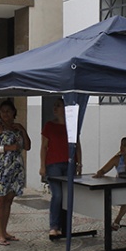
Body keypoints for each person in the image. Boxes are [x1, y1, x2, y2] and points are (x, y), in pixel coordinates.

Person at [0, 99, 31, 246]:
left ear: (14, 112)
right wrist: (7, 148)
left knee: (9, 199)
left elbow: (27, 146)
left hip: (14, 168)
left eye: (8, 111)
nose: (5, 114)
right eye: (2, 111)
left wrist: (22, 130)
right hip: (0, 168)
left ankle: (5, 230)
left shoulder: (17, 127)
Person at [93, 136, 126, 245]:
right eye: (121, 145)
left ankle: (117, 220)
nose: (121, 147)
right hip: (121, 189)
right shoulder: (117, 159)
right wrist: (100, 173)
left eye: (125, 145)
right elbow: (103, 170)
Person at [40, 98, 81, 237]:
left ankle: (65, 225)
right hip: (53, 164)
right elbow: (44, 147)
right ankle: (54, 225)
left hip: (69, 164)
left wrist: (79, 162)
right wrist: (42, 166)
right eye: (54, 105)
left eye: (58, 105)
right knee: (57, 195)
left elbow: (77, 145)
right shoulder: (49, 126)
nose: (55, 108)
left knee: (67, 196)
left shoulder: (71, 125)